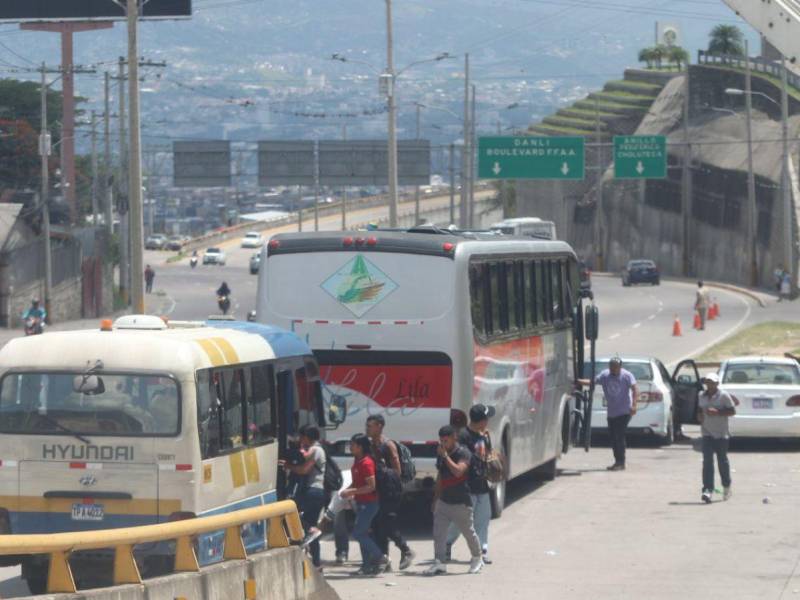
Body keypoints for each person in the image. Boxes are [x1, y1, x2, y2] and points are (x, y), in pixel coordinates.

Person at [425, 425, 483, 576]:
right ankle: (440, 563)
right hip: (444, 501)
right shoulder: (442, 453)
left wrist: (445, 456)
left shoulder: (464, 453)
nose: (443, 443)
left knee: (468, 533)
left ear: (454, 437)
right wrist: (435, 499)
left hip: (461, 502)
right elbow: (440, 477)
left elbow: (458, 471)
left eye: (446, 440)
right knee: (439, 533)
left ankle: (477, 558)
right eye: (441, 440)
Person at [446, 404, 495, 565]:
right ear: (481, 421)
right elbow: (463, 460)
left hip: (482, 485)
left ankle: (482, 551)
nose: (488, 421)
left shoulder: (483, 435)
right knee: (462, 521)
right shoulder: (463, 436)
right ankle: (446, 543)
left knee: (483, 518)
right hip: (467, 487)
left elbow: (487, 455)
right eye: (487, 418)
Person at [365, 415, 414, 571]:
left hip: (390, 491)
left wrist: (391, 487)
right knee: (378, 524)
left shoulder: (388, 445)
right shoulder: (371, 444)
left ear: (379, 426)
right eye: (367, 425)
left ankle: (406, 550)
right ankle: (384, 560)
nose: (367, 428)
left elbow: (397, 471)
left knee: (387, 524)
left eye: (370, 426)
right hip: (379, 490)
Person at [279, 425, 326, 568]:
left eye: (301, 437)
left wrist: (288, 465)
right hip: (315, 492)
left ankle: (312, 531)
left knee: (291, 515)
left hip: (313, 491)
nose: (300, 440)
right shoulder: (315, 449)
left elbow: (304, 469)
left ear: (306, 437)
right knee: (310, 529)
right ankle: (317, 563)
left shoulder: (316, 450)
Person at [340, 434, 384, 576]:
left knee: (358, 533)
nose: (350, 447)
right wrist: (347, 490)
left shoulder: (366, 463)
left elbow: (371, 486)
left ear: (360, 447)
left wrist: (352, 491)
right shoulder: (357, 461)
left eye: (352, 444)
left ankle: (380, 557)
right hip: (361, 502)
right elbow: (358, 482)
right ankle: (366, 566)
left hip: (369, 503)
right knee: (363, 533)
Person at [697, 373, 736, 504]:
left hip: (721, 433)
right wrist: (700, 416)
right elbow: (699, 410)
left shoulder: (724, 396)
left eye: (712, 383)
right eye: (708, 382)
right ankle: (707, 489)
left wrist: (718, 413)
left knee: (722, 461)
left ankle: (726, 485)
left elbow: (732, 411)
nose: (710, 385)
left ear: (717, 384)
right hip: (707, 432)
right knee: (707, 462)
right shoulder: (701, 395)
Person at [595, 358, 638, 471]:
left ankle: (621, 462)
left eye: (615, 366)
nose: (613, 369)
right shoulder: (605, 375)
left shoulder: (627, 375)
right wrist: (577, 381)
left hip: (624, 411)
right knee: (613, 437)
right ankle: (617, 461)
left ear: (620, 367)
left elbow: (635, 389)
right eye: (611, 366)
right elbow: (593, 381)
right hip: (612, 412)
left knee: (619, 436)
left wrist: (634, 405)